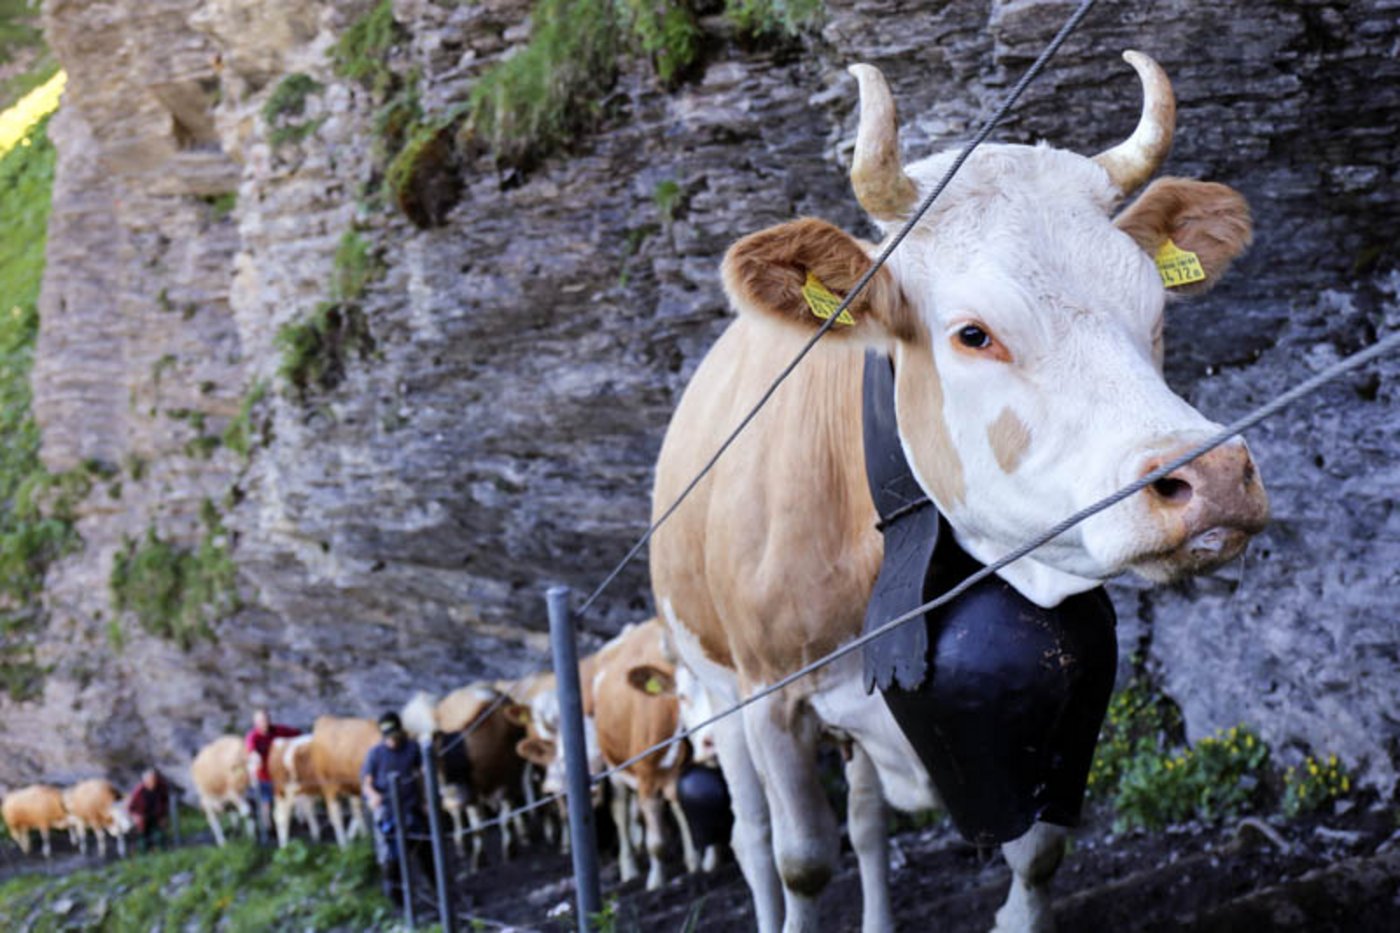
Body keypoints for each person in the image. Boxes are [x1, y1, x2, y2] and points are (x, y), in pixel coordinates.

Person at [361, 711, 432, 908]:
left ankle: (437, 890)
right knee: (392, 858)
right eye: (388, 737)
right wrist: (373, 796)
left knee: (425, 851)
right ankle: (398, 902)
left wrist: (426, 800)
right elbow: (367, 782)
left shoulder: (412, 749)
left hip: (412, 807)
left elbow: (424, 774)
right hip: (388, 811)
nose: (391, 741)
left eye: (394, 736)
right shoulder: (375, 754)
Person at [244, 708, 300, 839]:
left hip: (280, 776)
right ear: (255, 722)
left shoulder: (277, 730)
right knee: (266, 804)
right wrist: (254, 757)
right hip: (263, 776)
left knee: (284, 801)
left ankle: (288, 826)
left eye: (266, 719)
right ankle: (268, 830)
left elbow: (295, 734)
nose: (264, 723)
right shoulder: (253, 737)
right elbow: (250, 749)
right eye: (261, 720)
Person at [128, 769, 171, 852]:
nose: (152, 782)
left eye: (154, 779)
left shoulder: (161, 787)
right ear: (145, 781)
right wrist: (136, 817)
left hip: (157, 816)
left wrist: (164, 815)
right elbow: (130, 808)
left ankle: (163, 853)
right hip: (143, 818)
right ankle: (145, 856)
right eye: (150, 780)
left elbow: (165, 801)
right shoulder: (139, 791)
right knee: (143, 841)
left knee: (160, 836)